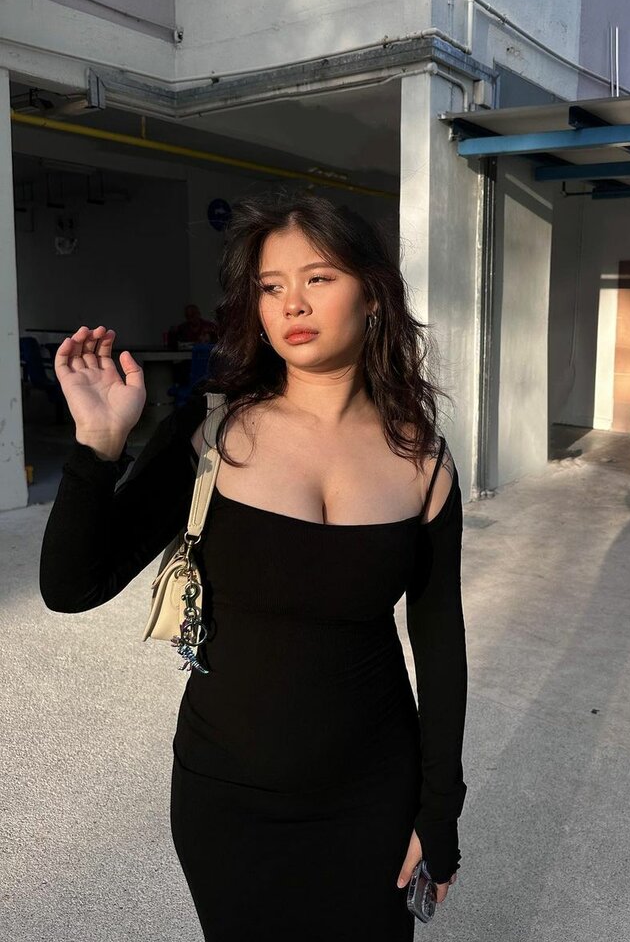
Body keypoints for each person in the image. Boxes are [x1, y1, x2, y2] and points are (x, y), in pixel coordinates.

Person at [38, 190, 469, 941]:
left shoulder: (422, 459)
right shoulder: (213, 431)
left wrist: (439, 811)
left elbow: (439, 644)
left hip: (373, 794)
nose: (291, 304)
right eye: (271, 287)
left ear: (373, 294)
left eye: (318, 278)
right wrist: (98, 447)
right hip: (228, 798)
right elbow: (72, 586)